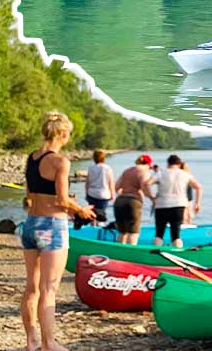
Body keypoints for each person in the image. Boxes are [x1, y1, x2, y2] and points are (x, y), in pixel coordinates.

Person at [20, 111, 95, 351]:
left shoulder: (31, 158)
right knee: (48, 290)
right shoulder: (61, 161)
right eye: (69, 134)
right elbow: (62, 200)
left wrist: (71, 209)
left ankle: (32, 341)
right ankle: (49, 344)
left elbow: (31, 196)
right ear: (63, 133)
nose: (68, 137)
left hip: (30, 225)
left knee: (31, 288)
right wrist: (81, 210)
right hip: (52, 227)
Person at [152, 155, 202, 248]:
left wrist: (151, 196)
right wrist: (197, 203)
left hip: (161, 205)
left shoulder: (161, 173)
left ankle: (154, 255)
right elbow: (198, 187)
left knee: (159, 234)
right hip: (178, 205)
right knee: (176, 235)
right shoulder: (185, 174)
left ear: (168, 163)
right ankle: (178, 254)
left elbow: (146, 183)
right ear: (179, 164)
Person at [113, 155, 157, 245]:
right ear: (148, 165)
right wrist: (152, 198)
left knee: (122, 232)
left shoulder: (127, 171)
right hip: (133, 202)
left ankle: (119, 253)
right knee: (133, 233)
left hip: (119, 201)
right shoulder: (144, 171)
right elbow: (144, 187)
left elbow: (116, 187)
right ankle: (130, 255)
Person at [84, 150, 116, 225]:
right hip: (104, 194)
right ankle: (100, 227)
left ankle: (92, 226)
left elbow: (87, 183)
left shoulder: (91, 168)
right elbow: (111, 183)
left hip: (92, 193)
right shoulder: (108, 168)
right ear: (103, 158)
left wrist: (86, 194)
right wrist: (113, 195)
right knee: (101, 213)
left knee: (92, 213)